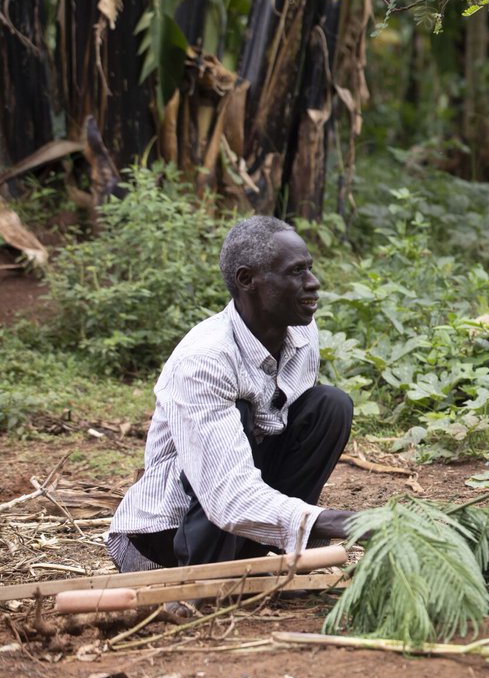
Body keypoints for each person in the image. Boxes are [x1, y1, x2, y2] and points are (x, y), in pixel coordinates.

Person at [106, 216, 358, 573]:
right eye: (296, 272)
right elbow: (227, 494)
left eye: (310, 268)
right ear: (246, 280)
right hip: (171, 530)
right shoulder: (205, 360)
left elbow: (281, 431)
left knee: (329, 406)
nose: (313, 283)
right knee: (241, 413)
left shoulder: (301, 330)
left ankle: (269, 558)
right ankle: (206, 573)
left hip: (242, 505)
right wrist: (346, 522)